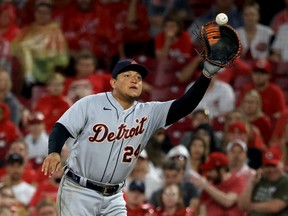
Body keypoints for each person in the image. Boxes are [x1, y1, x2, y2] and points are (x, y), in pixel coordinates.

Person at [42, 57, 222, 215]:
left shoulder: (148, 112)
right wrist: (54, 151)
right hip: (79, 191)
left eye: (139, 78)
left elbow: (185, 105)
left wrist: (206, 75)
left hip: (114, 196)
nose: (134, 80)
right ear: (113, 82)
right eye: (127, 75)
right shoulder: (91, 103)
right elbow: (61, 127)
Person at [190, 152, 246, 216]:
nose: (208, 174)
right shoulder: (210, 183)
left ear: (222, 170)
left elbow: (227, 201)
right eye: (207, 170)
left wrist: (206, 186)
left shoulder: (237, 180)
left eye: (211, 170)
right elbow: (203, 210)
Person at [238, 147, 288, 215]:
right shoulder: (259, 180)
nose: (270, 170)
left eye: (273, 166)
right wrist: (251, 182)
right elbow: (242, 206)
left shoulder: (285, 181)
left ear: (281, 164)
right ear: (262, 167)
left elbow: (275, 207)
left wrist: (251, 206)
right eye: (267, 166)